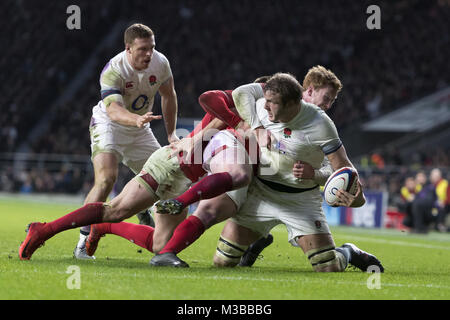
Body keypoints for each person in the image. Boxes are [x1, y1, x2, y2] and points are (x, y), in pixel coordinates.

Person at [150, 73, 384, 273]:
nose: (265, 106)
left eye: (272, 103)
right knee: (222, 261)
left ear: (293, 104)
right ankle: (255, 239)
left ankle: (348, 252)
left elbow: (344, 167)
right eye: (266, 101)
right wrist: (257, 127)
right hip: (260, 192)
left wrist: (352, 194)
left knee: (326, 265)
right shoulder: (264, 109)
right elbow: (241, 93)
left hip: (299, 199)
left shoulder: (320, 124)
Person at [73, 23, 179, 259]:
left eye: (151, 47)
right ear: (128, 48)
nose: (148, 54)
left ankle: (144, 216)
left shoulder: (161, 63)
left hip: (139, 127)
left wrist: (171, 133)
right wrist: (136, 120)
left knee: (165, 178)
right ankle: (82, 241)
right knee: (106, 179)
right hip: (109, 125)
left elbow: (168, 95)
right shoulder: (114, 70)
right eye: (142, 49)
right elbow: (113, 110)